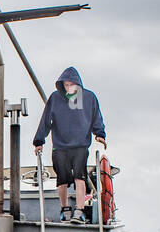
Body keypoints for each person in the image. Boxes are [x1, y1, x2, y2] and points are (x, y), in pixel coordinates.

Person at [33, 66, 106, 223]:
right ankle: (65, 209)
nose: (69, 88)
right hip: (60, 145)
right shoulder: (55, 98)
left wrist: (100, 134)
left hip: (80, 144)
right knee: (62, 179)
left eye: (71, 84)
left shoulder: (88, 98)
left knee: (80, 177)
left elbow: (95, 117)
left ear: (78, 84)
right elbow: (46, 120)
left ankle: (79, 211)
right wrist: (39, 141)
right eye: (66, 85)